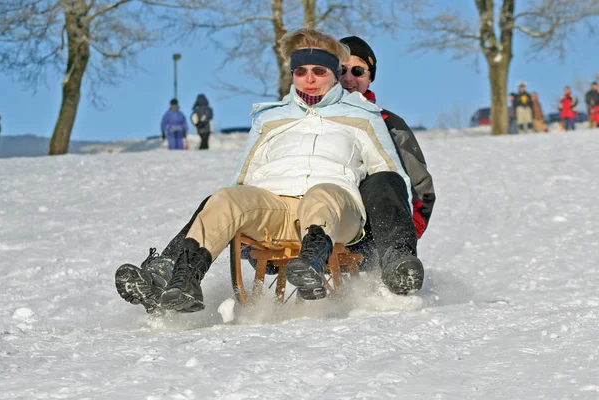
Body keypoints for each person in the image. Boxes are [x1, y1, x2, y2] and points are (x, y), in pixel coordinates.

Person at [116, 28, 418, 313]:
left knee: (321, 194)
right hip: (277, 210)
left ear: (334, 73)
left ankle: (310, 265)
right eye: (300, 71)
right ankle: (183, 280)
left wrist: (395, 239)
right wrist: (238, 223)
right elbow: (243, 178)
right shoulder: (270, 118)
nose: (309, 79)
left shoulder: (363, 115)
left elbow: (390, 177)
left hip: (338, 213)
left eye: (319, 71)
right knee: (224, 198)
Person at [337, 35, 435, 272]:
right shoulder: (311, 120)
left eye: (358, 71)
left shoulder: (390, 124)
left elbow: (422, 189)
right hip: (324, 215)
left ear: (370, 78)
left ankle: (398, 261)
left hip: (373, 229)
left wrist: (404, 234)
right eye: (341, 69)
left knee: (384, 179)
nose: (349, 78)